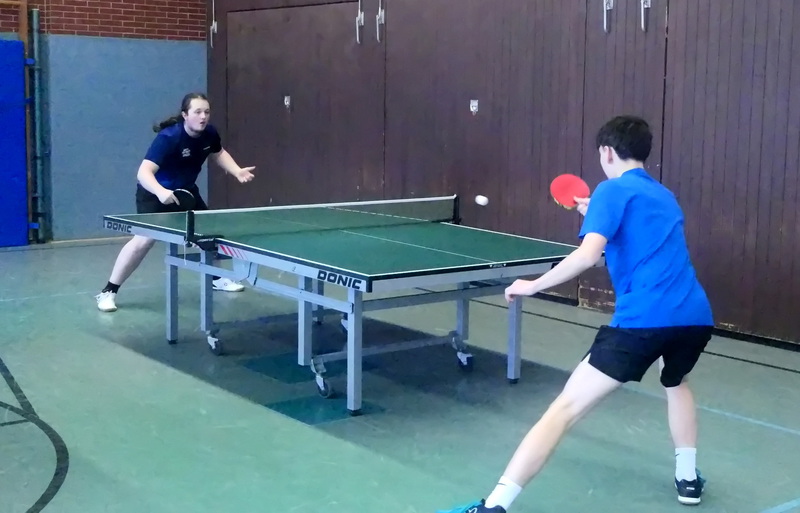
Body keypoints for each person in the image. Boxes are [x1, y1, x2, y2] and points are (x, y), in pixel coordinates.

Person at [438, 115, 714, 512]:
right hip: (694, 317)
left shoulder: (610, 190)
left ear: (606, 151)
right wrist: (596, 215)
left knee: (563, 410)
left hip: (642, 321)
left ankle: (495, 505)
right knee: (676, 381)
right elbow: (638, 244)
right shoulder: (664, 195)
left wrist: (532, 285)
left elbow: (588, 256)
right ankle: (688, 478)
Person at [96, 92, 256, 312]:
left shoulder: (209, 133)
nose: (203, 117)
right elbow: (143, 173)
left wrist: (236, 170)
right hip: (155, 192)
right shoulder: (169, 138)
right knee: (143, 241)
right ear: (185, 115)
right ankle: (108, 291)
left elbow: (218, 152)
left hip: (185, 192)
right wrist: (161, 191)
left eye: (206, 112)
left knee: (208, 233)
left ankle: (216, 277)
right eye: (197, 112)